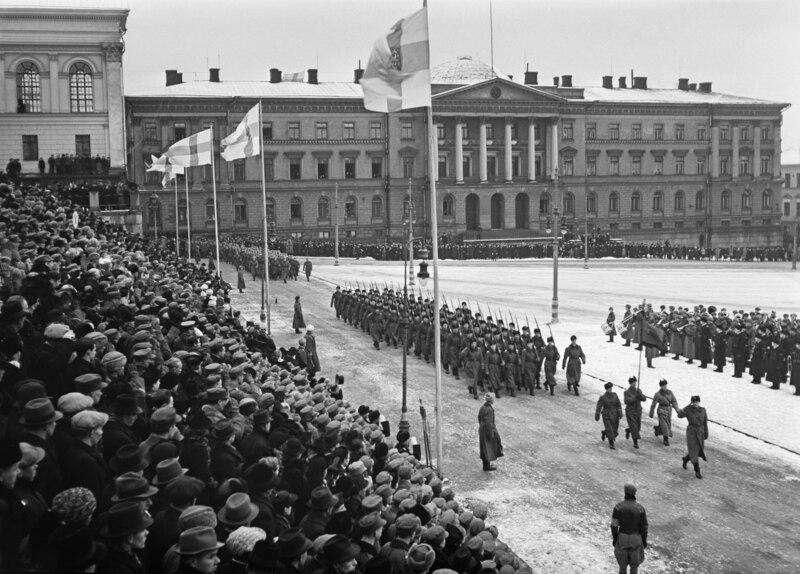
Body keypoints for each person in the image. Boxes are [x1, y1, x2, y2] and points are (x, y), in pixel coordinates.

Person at [610, 483, 648, 574]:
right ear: (634, 493)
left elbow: (614, 525)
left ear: (625, 492)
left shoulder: (618, 507)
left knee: (622, 566)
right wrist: (644, 540)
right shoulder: (640, 508)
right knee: (634, 566)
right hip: (636, 538)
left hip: (622, 537)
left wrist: (615, 538)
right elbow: (644, 527)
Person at [678, 395, 709, 479]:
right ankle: (697, 471)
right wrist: (687, 407)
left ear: (699, 402)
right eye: (693, 402)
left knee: (697, 450)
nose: (695, 403)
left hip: (700, 432)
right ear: (691, 402)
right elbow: (679, 415)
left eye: (697, 402)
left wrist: (706, 432)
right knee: (694, 450)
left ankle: (685, 459)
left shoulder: (703, 410)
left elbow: (705, 422)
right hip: (692, 432)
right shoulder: (688, 409)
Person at [648, 379, 680, 446]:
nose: (664, 387)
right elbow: (653, 404)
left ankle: (657, 429)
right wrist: (651, 412)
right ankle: (666, 439)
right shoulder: (657, 394)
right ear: (660, 386)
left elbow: (674, 401)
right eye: (663, 386)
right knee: (664, 425)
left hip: (668, 410)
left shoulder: (670, 392)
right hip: (661, 410)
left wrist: (677, 410)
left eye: (665, 385)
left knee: (667, 424)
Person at [478, 393, 502, 471]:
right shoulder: (489, 409)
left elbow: (479, 417)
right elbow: (488, 422)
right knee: (488, 447)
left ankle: (485, 464)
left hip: (482, 428)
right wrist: (490, 433)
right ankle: (486, 466)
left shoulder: (482, 407)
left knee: (484, 447)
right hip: (487, 429)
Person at [595, 383, 623, 449]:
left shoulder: (615, 395)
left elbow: (618, 404)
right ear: (606, 389)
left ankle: (604, 432)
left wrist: (620, 412)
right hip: (606, 415)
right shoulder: (603, 397)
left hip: (615, 414)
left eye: (611, 388)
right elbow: (599, 407)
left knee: (614, 430)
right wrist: (597, 414)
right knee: (610, 429)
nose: (610, 389)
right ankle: (611, 443)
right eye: (609, 388)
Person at [623, 377, 647, 449]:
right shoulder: (627, 392)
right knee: (634, 428)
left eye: (635, 382)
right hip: (630, 411)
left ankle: (628, 430)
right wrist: (634, 397)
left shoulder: (638, 390)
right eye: (633, 382)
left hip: (638, 411)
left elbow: (644, 399)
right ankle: (635, 443)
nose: (635, 384)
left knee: (637, 427)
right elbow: (626, 401)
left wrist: (641, 396)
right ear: (630, 383)